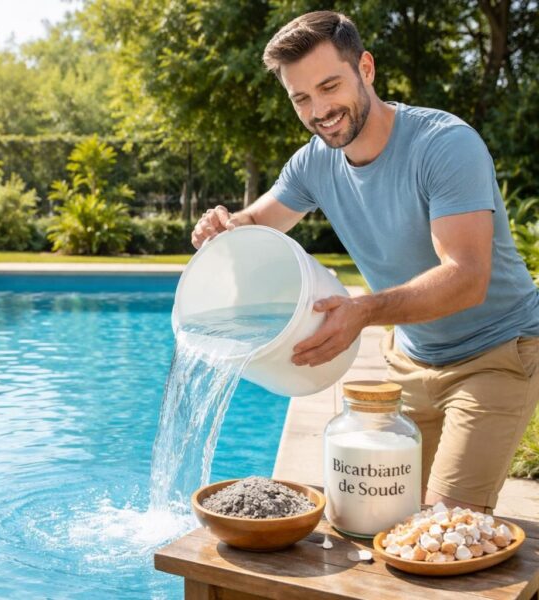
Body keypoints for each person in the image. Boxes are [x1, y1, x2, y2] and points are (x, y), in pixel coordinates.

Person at [191, 10, 539, 514]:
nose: (320, 109)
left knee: (444, 529)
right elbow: (258, 220)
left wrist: (364, 312)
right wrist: (222, 225)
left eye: (330, 85)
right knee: (375, 515)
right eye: (302, 98)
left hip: (497, 353)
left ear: (367, 70)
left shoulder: (445, 145)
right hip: (412, 358)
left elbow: (468, 279)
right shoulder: (314, 161)